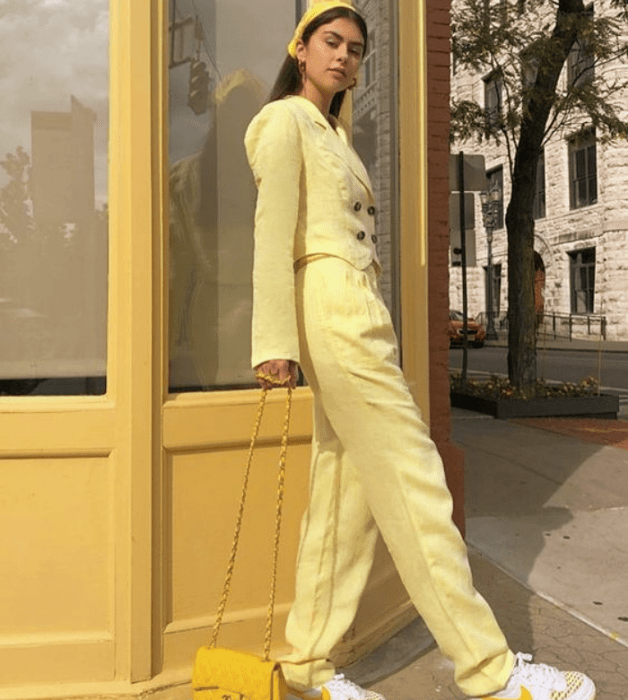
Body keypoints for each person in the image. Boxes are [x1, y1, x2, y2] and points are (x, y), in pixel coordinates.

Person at [244, 3, 596, 700]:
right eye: (331, 42)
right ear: (302, 48)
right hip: (332, 306)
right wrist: (273, 342)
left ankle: (309, 667)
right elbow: (271, 233)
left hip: (356, 309)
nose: (344, 57)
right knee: (416, 483)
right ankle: (492, 674)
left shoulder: (331, 132)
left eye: (355, 48)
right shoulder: (284, 120)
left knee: (343, 502)